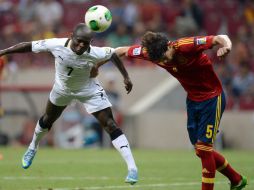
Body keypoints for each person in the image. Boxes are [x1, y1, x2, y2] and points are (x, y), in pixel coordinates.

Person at [92, 32, 248, 190]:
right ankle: (236, 179)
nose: (164, 62)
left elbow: (219, 37)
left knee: (204, 148)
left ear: (168, 46)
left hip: (213, 97)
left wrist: (227, 46)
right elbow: (120, 51)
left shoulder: (185, 46)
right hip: (193, 100)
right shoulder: (151, 53)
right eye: (159, 61)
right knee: (200, 150)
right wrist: (97, 64)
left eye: (164, 57)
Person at [0, 23, 138, 185]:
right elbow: (28, 46)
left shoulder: (94, 52)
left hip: (89, 90)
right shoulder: (56, 44)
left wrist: (126, 77)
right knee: (47, 121)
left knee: (110, 125)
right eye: (78, 41)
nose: (81, 45)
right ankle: (32, 147)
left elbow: (113, 55)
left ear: (90, 43)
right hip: (62, 91)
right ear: (71, 35)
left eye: (85, 43)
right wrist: (4, 51)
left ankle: (132, 168)